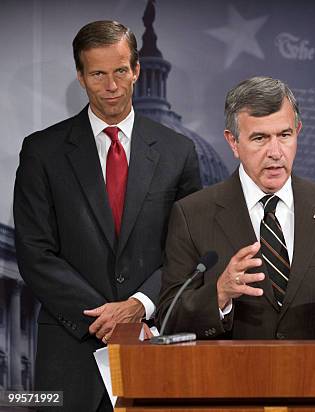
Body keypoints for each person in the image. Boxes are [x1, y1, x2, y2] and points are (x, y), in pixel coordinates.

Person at [13, 20, 201, 411]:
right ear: (80, 77)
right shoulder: (41, 152)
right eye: (98, 74)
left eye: (120, 71)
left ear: (136, 70)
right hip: (69, 354)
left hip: (154, 347)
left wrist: (138, 304)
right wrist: (107, 319)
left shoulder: (178, 152)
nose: (111, 86)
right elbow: (35, 252)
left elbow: (190, 249)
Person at [157, 76, 315, 340]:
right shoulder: (192, 215)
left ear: (297, 132)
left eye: (284, 135)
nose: (275, 152)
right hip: (229, 378)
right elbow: (168, 317)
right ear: (233, 142)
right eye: (260, 138)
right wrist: (219, 294)